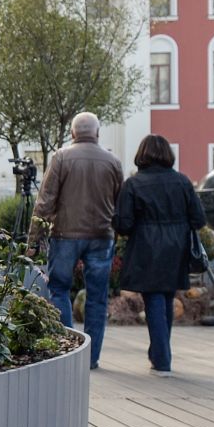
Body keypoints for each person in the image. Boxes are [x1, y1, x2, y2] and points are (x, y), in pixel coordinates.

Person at [28, 112, 124, 368]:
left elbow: (45, 202)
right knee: (97, 297)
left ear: (72, 133)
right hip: (101, 236)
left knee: (59, 289)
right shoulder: (112, 161)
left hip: (65, 235)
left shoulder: (61, 157)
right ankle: (91, 358)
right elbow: (120, 204)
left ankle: (68, 351)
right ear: (97, 133)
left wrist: (33, 241)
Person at [113, 135, 207, 375]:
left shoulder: (133, 184)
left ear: (142, 155)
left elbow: (124, 223)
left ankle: (162, 359)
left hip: (146, 246)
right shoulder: (182, 182)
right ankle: (159, 354)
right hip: (177, 247)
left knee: (154, 298)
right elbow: (199, 219)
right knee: (165, 297)